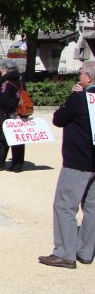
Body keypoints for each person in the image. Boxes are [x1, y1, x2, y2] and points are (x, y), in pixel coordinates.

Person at [38, 61, 95, 269]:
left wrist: (72, 95)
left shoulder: (79, 99)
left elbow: (58, 119)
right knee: (92, 208)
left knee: (64, 206)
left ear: (87, 79)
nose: (79, 76)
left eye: (81, 74)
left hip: (77, 160)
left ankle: (64, 253)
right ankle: (85, 251)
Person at [0, 59, 25, 172]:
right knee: (17, 140)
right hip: (19, 114)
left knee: (1, 141)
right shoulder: (21, 81)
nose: (1, 72)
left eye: (2, 70)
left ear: (6, 70)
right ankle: (17, 165)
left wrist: (11, 111)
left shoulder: (6, 83)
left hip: (5, 115)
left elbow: (5, 101)